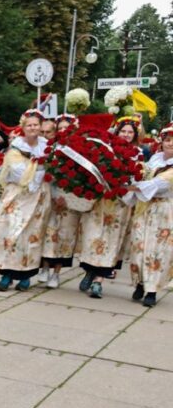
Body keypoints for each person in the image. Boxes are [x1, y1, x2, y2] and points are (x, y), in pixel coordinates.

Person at [77, 117, 142, 298]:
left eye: (130, 132)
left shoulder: (138, 153)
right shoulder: (105, 148)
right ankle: (89, 272)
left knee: (111, 242)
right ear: (117, 132)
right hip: (101, 202)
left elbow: (139, 179)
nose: (127, 135)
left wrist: (125, 190)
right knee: (94, 237)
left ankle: (99, 281)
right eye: (124, 131)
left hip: (121, 203)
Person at [0, 110, 51, 291]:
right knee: (10, 233)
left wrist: (40, 170)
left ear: (40, 127)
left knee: (31, 235)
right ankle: (6, 275)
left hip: (39, 197)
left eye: (36, 125)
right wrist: (39, 170)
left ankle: (26, 276)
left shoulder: (47, 146)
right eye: (29, 125)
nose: (33, 128)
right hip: (17, 195)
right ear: (23, 127)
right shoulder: (15, 148)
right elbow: (18, 173)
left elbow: (51, 168)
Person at [126, 123, 173, 306]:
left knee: (158, 250)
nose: (170, 144)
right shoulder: (155, 159)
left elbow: (157, 185)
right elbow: (141, 176)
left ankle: (151, 290)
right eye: (167, 140)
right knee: (139, 246)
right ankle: (139, 282)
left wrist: (129, 187)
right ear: (161, 142)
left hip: (164, 210)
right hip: (144, 208)